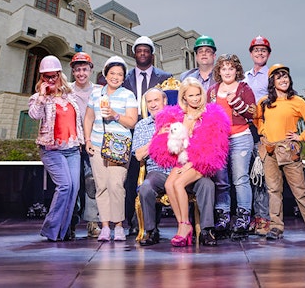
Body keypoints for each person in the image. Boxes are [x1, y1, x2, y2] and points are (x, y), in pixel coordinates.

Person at [149, 77, 230, 247]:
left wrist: (189, 165)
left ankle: (185, 227)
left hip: (201, 161)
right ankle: (183, 225)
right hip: (182, 159)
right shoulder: (179, 116)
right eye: (191, 95)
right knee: (169, 184)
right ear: (184, 97)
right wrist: (163, 134)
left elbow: (212, 149)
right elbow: (171, 145)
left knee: (178, 184)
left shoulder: (210, 115)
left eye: (198, 94)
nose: (195, 99)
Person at [134, 88, 218, 247]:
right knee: (145, 187)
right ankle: (151, 231)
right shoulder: (142, 126)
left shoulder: (178, 118)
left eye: (156, 100)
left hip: (184, 168)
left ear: (165, 101)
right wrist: (157, 137)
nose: (153, 104)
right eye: (149, 101)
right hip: (157, 171)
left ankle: (206, 231)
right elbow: (138, 155)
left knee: (207, 184)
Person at [255, 64, 305, 241]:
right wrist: (263, 131)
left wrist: (301, 136)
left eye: (285, 76)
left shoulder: (296, 101)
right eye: (279, 77)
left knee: (300, 190)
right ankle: (276, 227)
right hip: (270, 150)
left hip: (288, 150)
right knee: (273, 190)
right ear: (272, 82)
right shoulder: (264, 102)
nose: (283, 80)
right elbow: (258, 119)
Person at [28, 55, 85, 242]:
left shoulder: (70, 95)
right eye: (47, 76)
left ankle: (63, 231)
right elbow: (34, 115)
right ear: (42, 77)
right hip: (52, 149)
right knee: (65, 186)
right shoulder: (39, 98)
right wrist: (42, 96)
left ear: (60, 75)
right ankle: (51, 230)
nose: (51, 79)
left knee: (74, 188)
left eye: (54, 76)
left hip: (73, 149)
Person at [83, 56, 139, 242]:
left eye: (120, 74)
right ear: (105, 75)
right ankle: (105, 227)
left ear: (123, 78)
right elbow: (88, 118)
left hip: (119, 145)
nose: (115, 77)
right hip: (97, 144)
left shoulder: (128, 95)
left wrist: (115, 115)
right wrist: (87, 139)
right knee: (101, 186)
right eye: (112, 73)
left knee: (116, 185)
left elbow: (132, 122)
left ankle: (119, 225)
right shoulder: (96, 94)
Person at [121, 35, 171, 235]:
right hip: (131, 131)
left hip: (158, 129)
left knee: (153, 176)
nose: (142, 54)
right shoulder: (125, 79)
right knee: (132, 179)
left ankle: (152, 225)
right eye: (139, 51)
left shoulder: (166, 77)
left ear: (152, 54)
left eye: (146, 51)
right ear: (134, 54)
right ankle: (134, 222)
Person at [208, 54, 257, 239]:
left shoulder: (244, 88)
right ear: (219, 71)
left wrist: (235, 101)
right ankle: (223, 217)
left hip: (240, 137)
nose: (227, 72)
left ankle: (243, 218)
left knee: (240, 179)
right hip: (219, 140)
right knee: (221, 181)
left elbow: (252, 113)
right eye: (224, 68)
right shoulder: (212, 91)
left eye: (231, 68)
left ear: (237, 70)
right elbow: (207, 115)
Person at [67, 52, 100, 238]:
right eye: (77, 70)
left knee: (91, 182)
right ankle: (70, 223)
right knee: (72, 184)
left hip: (92, 143)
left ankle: (92, 223)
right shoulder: (66, 91)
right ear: (73, 72)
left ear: (90, 70)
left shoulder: (99, 91)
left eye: (84, 69)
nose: (81, 73)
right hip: (71, 144)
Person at [244, 35, 273, 235]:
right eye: (256, 50)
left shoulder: (272, 75)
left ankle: (264, 218)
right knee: (248, 175)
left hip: (264, 128)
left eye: (263, 50)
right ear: (251, 53)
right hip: (246, 129)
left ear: (268, 54)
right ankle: (252, 217)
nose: (259, 53)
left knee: (261, 174)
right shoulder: (244, 77)